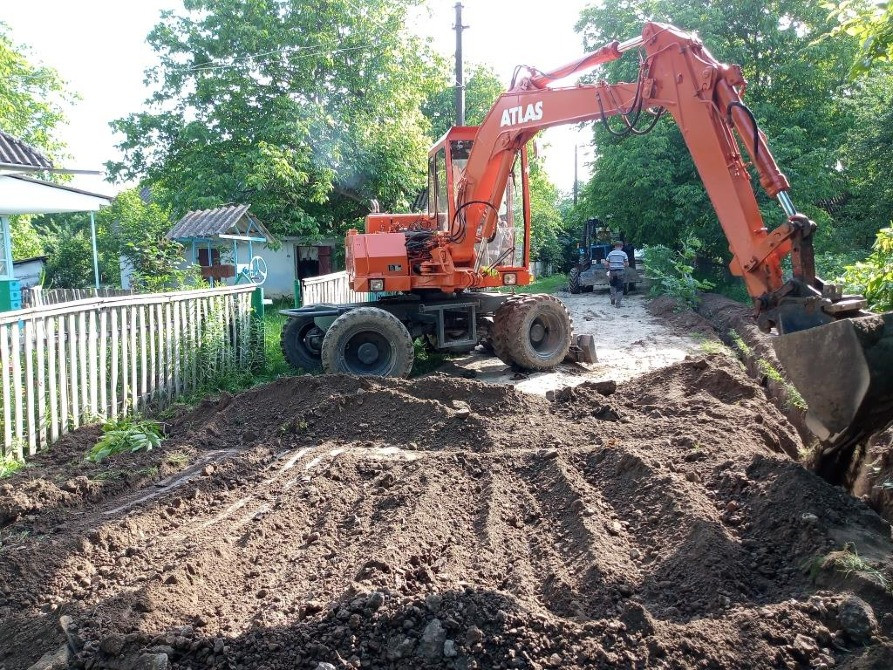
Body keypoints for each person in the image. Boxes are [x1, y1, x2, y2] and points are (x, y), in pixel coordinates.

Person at [602, 240, 629, 307]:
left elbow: (606, 263)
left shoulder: (610, 253)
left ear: (615, 246)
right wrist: (623, 264)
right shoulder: (623, 254)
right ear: (621, 246)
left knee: (613, 285)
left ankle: (613, 299)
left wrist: (608, 269)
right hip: (620, 272)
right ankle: (618, 303)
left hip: (612, 272)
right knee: (620, 287)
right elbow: (627, 264)